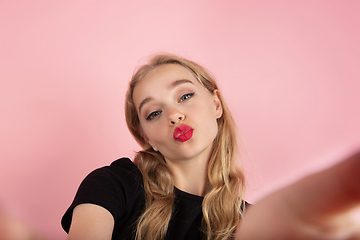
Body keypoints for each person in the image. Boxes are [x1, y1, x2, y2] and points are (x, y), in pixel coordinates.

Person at [62, 53, 360, 240]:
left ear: (216, 104)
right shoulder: (112, 184)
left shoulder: (253, 225)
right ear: (147, 139)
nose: (174, 114)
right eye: (154, 113)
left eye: (185, 96)